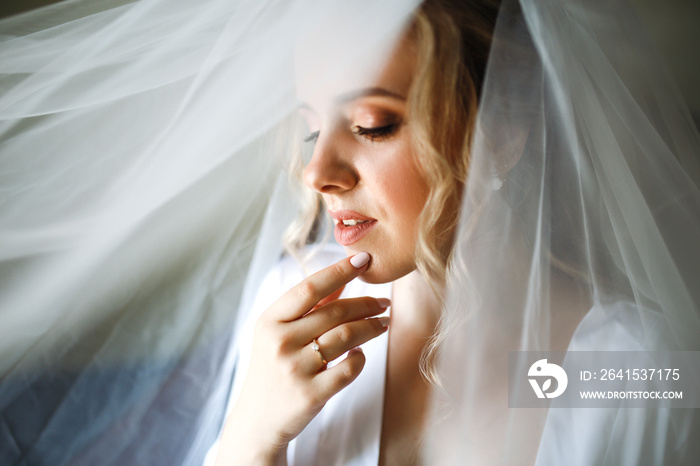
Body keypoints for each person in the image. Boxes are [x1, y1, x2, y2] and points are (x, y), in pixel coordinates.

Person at [1, 0, 698, 465]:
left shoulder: (630, 368)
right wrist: (250, 439)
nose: (317, 171)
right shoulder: (295, 309)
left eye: (372, 125)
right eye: (310, 127)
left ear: (503, 133)